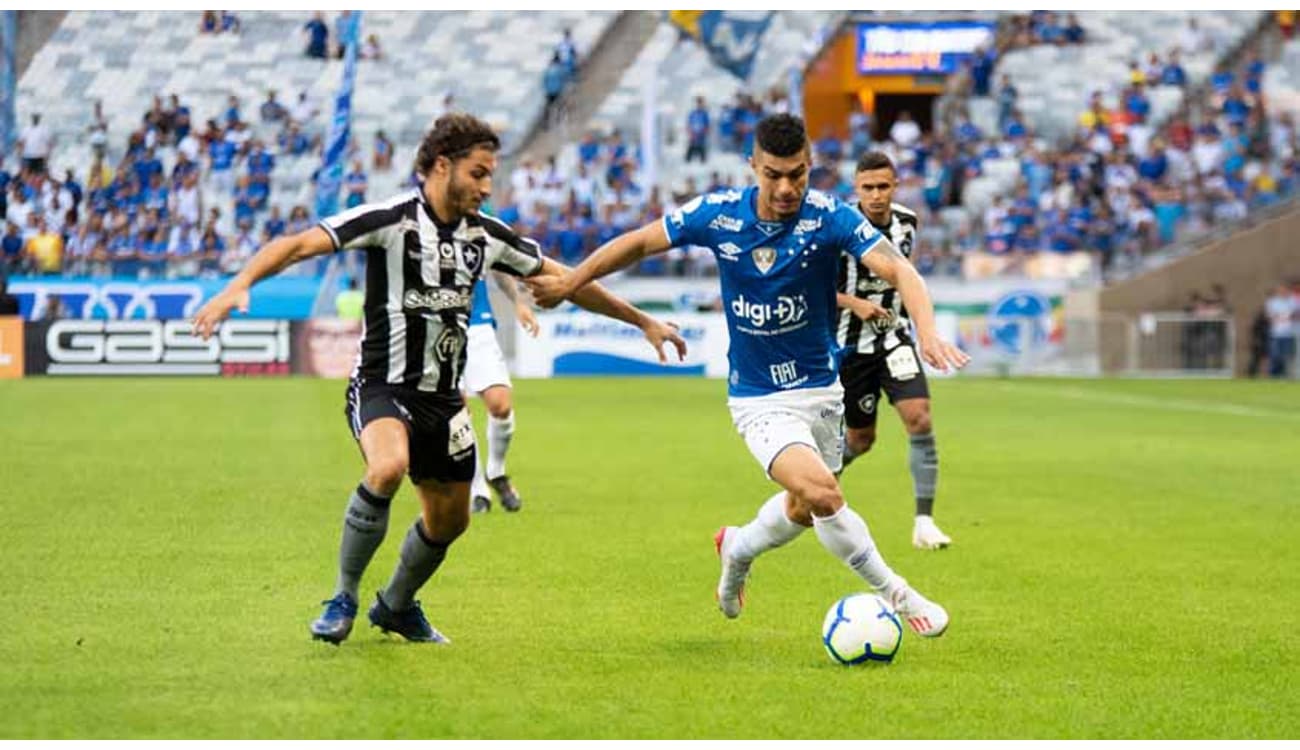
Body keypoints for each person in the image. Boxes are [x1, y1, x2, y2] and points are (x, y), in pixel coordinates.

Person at [192, 113, 685, 646]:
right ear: (442, 166)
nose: (486, 186)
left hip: (444, 401)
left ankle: (397, 606)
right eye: (478, 173)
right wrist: (236, 286)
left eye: (490, 175)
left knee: (450, 522)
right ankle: (342, 598)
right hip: (383, 384)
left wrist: (643, 321)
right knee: (387, 467)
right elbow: (298, 245)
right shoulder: (390, 219)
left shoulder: (487, 236)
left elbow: (567, 281)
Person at [528, 114, 968, 639]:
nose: (787, 188)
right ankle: (899, 594)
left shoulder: (828, 216)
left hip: (823, 390)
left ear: (810, 168)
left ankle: (737, 548)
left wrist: (928, 331)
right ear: (753, 168)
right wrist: (572, 282)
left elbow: (900, 270)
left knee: (803, 509)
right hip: (759, 398)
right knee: (825, 493)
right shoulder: (718, 214)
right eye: (774, 175)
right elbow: (640, 242)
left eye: (798, 174)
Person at [835, 152, 952, 550]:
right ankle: (815, 486)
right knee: (860, 440)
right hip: (849, 346)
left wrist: (924, 330)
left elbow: (907, 277)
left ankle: (924, 522)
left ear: (895, 186)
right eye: (868, 188)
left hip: (892, 338)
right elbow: (813, 289)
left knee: (919, 417)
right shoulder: (837, 226)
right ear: (856, 188)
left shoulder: (907, 223)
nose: (876, 195)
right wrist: (856, 304)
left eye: (883, 186)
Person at [463, 273, 539, 513]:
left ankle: (496, 471)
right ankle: (478, 491)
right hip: (432, 326)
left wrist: (518, 301)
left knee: (500, 405)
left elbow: (500, 265)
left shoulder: (482, 234)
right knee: (456, 414)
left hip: (477, 325)